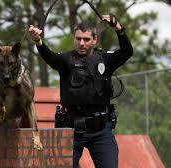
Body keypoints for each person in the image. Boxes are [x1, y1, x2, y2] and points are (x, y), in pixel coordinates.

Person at [28, 14, 133, 168]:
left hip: (100, 130)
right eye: (78, 39)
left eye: (86, 39)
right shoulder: (66, 60)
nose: (81, 43)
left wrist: (119, 29)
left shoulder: (105, 59)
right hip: (71, 128)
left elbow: (127, 52)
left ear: (94, 40)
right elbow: (49, 56)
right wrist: (38, 40)